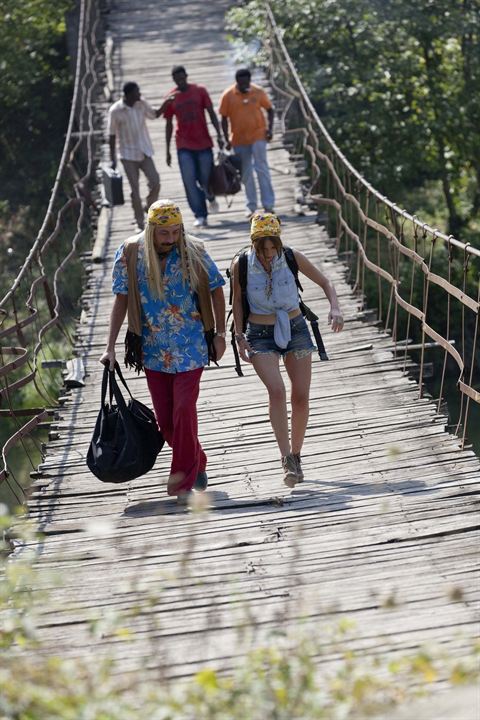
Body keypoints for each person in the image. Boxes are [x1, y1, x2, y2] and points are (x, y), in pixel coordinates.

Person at [100, 200, 227, 502]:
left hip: (192, 346)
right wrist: (110, 347)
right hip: (153, 349)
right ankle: (198, 460)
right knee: (166, 423)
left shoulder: (193, 250)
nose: (170, 239)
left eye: (174, 232)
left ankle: (181, 482)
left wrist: (220, 334)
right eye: (163, 233)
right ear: (150, 230)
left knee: (184, 408)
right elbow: (121, 300)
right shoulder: (131, 253)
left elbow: (216, 288)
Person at [231, 212, 344, 487]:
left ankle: (296, 454)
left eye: (273, 246)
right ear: (254, 243)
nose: (269, 253)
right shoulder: (242, 263)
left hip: (296, 329)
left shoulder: (291, 256)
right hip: (259, 334)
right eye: (263, 247)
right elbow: (236, 300)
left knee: (301, 397)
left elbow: (326, 282)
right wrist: (238, 336)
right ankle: (285, 458)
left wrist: (335, 307)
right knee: (277, 390)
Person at [163, 66, 224, 228]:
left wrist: (219, 135)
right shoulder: (171, 97)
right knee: (189, 180)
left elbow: (211, 112)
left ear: (186, 76)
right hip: (183, 144)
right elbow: (168, 124)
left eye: (182, 77)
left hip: (203, 142)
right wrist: (167, 149)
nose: (180, 81)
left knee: (205, 179)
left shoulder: (200, 91)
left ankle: (210, 196)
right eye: (177, 79)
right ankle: (200, 214)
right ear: (174, 80)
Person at [108, 82, 171, 230]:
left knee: (155, 182)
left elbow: (154, 114)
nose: (139, 94)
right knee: (134, 190)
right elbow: (111, 135)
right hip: (127, 154)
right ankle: (139, 222)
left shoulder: (141, 103)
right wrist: (113, 159)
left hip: (144, 151)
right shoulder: (115, 111)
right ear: (128, 94)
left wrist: (165, 104)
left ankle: (148, 206)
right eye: (136, 92)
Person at [219, 69, 275, 219]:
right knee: (246, 173)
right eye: (241, 82)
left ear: (250, 80)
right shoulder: (228, 95)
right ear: (236, 81)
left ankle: (268, 205)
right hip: (239, 139)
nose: (245, 85)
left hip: (258, 135)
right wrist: (226, 139)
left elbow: (270, 109)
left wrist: (270, 129)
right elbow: (223, 118)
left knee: (262, 168)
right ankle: (251, 207)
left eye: (247, 82)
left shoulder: (258, 91)